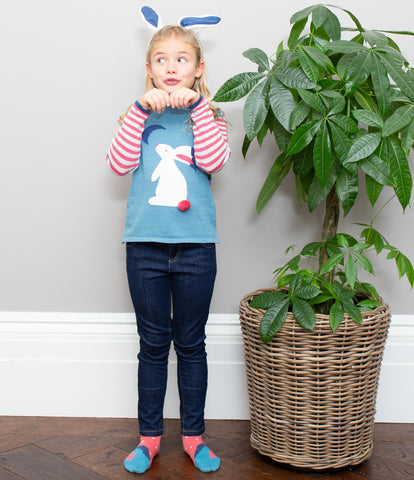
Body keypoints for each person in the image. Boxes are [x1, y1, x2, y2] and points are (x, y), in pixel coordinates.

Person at [106, 24, 230, 474]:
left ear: (198, 69)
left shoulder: (209, 117)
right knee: (153, 345)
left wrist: (199, 108)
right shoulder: (135, 116)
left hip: (197, 248)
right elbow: (119, 165)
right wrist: (139, 109)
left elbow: (214, 161)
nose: (172, 66)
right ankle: (150, 438)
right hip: (144, 249)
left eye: (181, 59)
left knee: (191, 344)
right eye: (162, 59)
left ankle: (194, 438)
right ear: (149, 69)